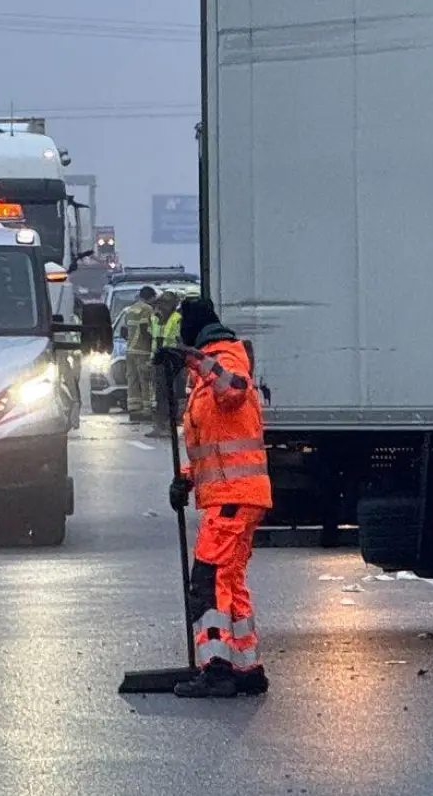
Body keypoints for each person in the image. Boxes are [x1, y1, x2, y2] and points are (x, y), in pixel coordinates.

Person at [164, 296, 271, 698]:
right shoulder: (207, 372)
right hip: (234, 494)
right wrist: (187, 479)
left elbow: (234, 389)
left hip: (233, 497)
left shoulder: (226, 356)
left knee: (207, 582)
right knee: (229, 580)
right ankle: (247, 667)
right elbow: (220, 444)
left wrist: (195, 360)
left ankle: (216, 668)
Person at [147, 291, 184, 438]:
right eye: (161, 303)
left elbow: (180, 341)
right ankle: (159, 425)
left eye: (166, 303)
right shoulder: (155, 319)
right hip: (159, 363)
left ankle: (171, 425)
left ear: (173, 305)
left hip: (173, 363)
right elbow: (153, 339)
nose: (163, 306)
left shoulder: (177, 319)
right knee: (158, 395)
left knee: (172, 395)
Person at [118, 286, 158, 422]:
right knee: (145, 380)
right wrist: (152, 341)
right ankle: (147, 410)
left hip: (129, 350)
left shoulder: (130, 309)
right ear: (150, 297)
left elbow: (124, 330)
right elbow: (144, 328)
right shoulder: (147, 309)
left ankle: (134, 409)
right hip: (143, 350)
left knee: (132, 380)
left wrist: (130, 342)